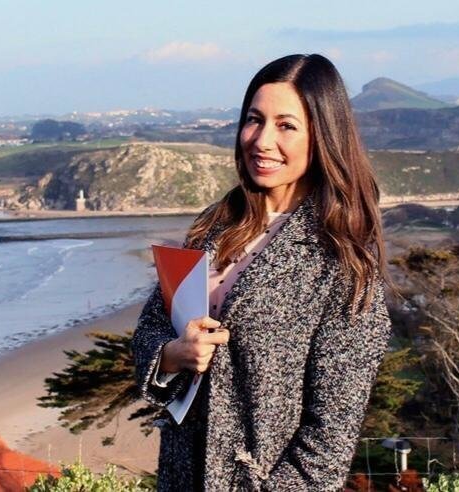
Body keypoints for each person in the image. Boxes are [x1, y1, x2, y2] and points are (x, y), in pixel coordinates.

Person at [133, 53, 392, 491]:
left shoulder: (342, 261)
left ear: (323, 136)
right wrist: (172, 355)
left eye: (286, 125)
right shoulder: (214, 226)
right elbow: (151, 328)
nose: (262, 140)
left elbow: (330, 439)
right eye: (254, 120)